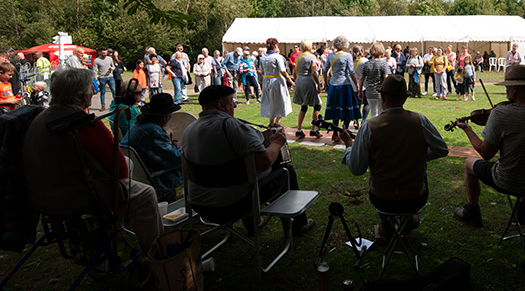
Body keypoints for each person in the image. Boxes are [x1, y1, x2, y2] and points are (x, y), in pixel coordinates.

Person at [22, 68, 162, 254]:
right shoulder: (82, 124)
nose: (93, 92)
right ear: (82, 95)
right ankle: (155, 253)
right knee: (145, 193)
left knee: (129, 163)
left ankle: (120, 223)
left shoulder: (37, 119)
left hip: (40, 197)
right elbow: (119, 169)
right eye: (91, 89)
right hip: (80, 197)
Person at [181, 85, 315, 235]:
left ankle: (253, 225)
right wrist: (276, 143)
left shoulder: (189, 129)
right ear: (221, 104)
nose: (235, 106)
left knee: (241, 175)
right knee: (286, 172)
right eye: (232, 102)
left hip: (198, 204)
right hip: (231, 205)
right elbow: (263, 163)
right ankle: (298, 225)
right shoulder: (230, 126)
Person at [453, 66, 525, 227]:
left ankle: (472, 211)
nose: (506, 91)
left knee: (469, 163)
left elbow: (485, 153)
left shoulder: (501, 114)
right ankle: (521, 210)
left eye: (507, 87)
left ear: (514, 89)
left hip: (509, 181)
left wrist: (468, 129)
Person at [339, 75, 448, 240]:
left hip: (383, 199)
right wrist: (420, 155)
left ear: (382, 97)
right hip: (415, 198)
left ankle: (388, 224)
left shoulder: (369, 126)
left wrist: (349, 146)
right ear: (404, 99)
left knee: (380, 174)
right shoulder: (420, 120)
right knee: (421, 166)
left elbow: (356, 169)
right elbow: (442, 149)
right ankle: (407, 220)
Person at [120, 93, 183, 201]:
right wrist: (180, 146)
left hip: (138, 176)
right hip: (155, 178)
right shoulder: (154, 131)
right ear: (164, 116)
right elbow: (176, 159)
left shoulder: (138, 125)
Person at [323, 36, 361, 137]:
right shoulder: (347, 56)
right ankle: (344, 130)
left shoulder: (330, 55)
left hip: (333, 84)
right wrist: (357, 84)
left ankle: (335, 133)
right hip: (345, 84)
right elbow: (351, 72)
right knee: (347, 108)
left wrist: (326, 84)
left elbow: (324, 70)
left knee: (335, 108)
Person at [260, 38, 295, 127]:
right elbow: (283, 71)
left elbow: (262, 71)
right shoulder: (277, 57)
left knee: (270, 101)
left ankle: (272, 122)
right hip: (276, 81)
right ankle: (275, 122)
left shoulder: (263, 57)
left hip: (267, 81)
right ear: (275, 45)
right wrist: (291, 81)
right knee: (281, 101)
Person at [292, 40, 322, 138]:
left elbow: (294, 72)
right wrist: (318, 84)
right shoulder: (312, 57)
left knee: (303, 106)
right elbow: (314, 72)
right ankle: (313, 129)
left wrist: (296, 81)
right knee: (317, 105)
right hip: (308, 81)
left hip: (299, 80)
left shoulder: (298, 57)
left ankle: (299, 129)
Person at [357, 41, 390, 119]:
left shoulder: (366, 64)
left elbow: (361, 79)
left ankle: (373, 129)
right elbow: (386, 78)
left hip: (369, 92)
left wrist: (360, 91)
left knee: (373, 113)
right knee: (381, 113)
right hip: (380, 92)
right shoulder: (384, 64)